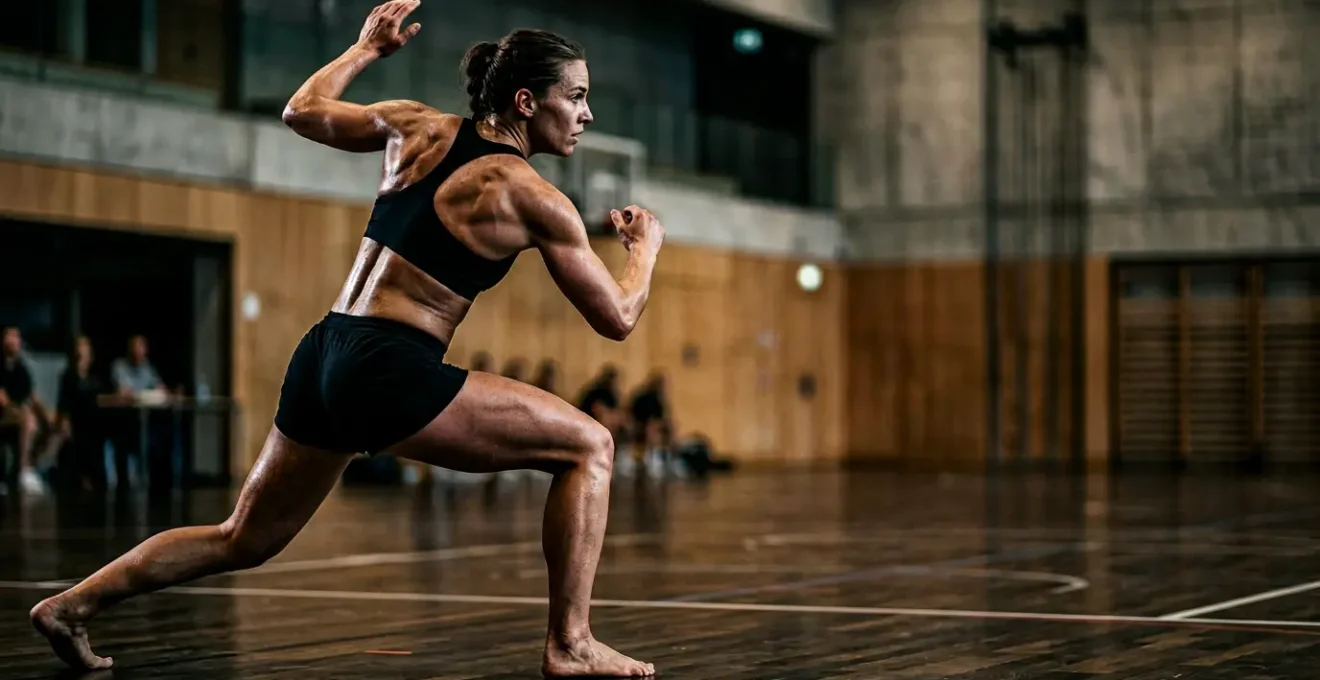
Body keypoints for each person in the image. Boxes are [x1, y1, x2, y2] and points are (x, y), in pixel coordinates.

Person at [30, 2, 664, 677]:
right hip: (390, 366)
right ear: (527, 100)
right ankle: (570, 643)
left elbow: (302, 110)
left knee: (244, 537)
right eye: (578, 96)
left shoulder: (415, 127)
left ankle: (70, 607)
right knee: (590, 446)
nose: (588, 114)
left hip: (325, 351)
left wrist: (366, 49)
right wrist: (644, 250)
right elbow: (617, 318)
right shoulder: (532, 196)